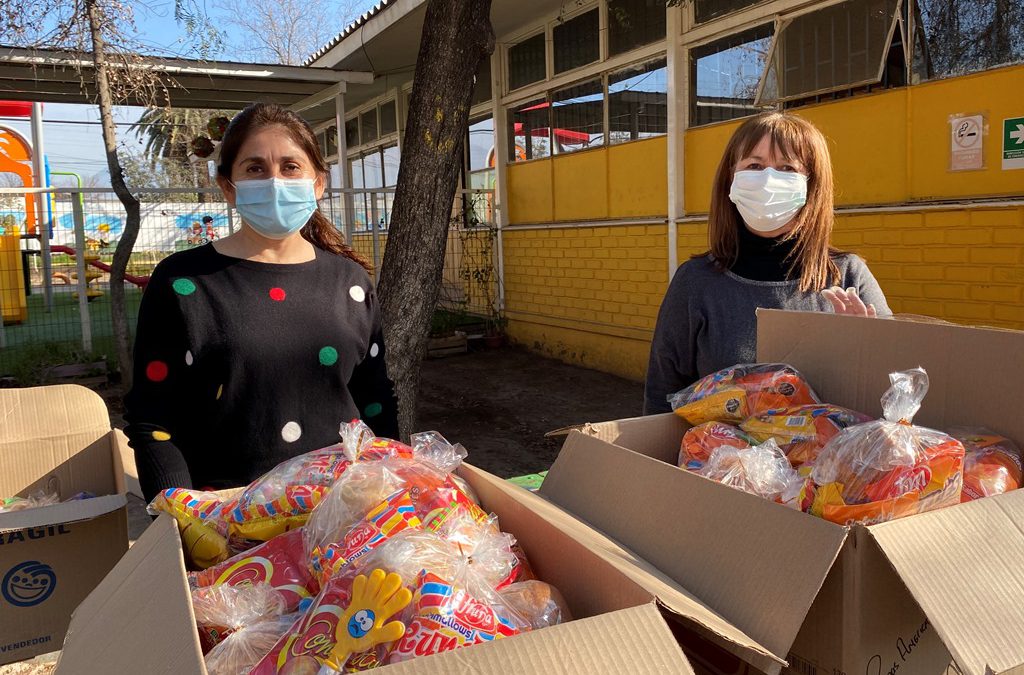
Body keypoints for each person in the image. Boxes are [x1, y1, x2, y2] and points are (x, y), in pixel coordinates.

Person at [124, 102, 399, 502]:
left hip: (344, 519)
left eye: (290, 167)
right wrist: (185, 520)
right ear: (227, 187)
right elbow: (153, 419)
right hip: (229, 527)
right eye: (255, 168)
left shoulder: (350, 284)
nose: (274, 181)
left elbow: (376, 400)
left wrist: (393, 483)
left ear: (318, 184)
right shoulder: (183, 283)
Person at [643, 111, 891, 415]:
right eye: (754, 165)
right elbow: (660, 398)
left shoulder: (848, 276)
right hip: (716, 459)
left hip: (828, 459)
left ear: (812, 184)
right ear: (730, 178)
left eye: (787, 167)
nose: (768, 180)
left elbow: (897, 397)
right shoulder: (696, 282)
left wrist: (871, 354)